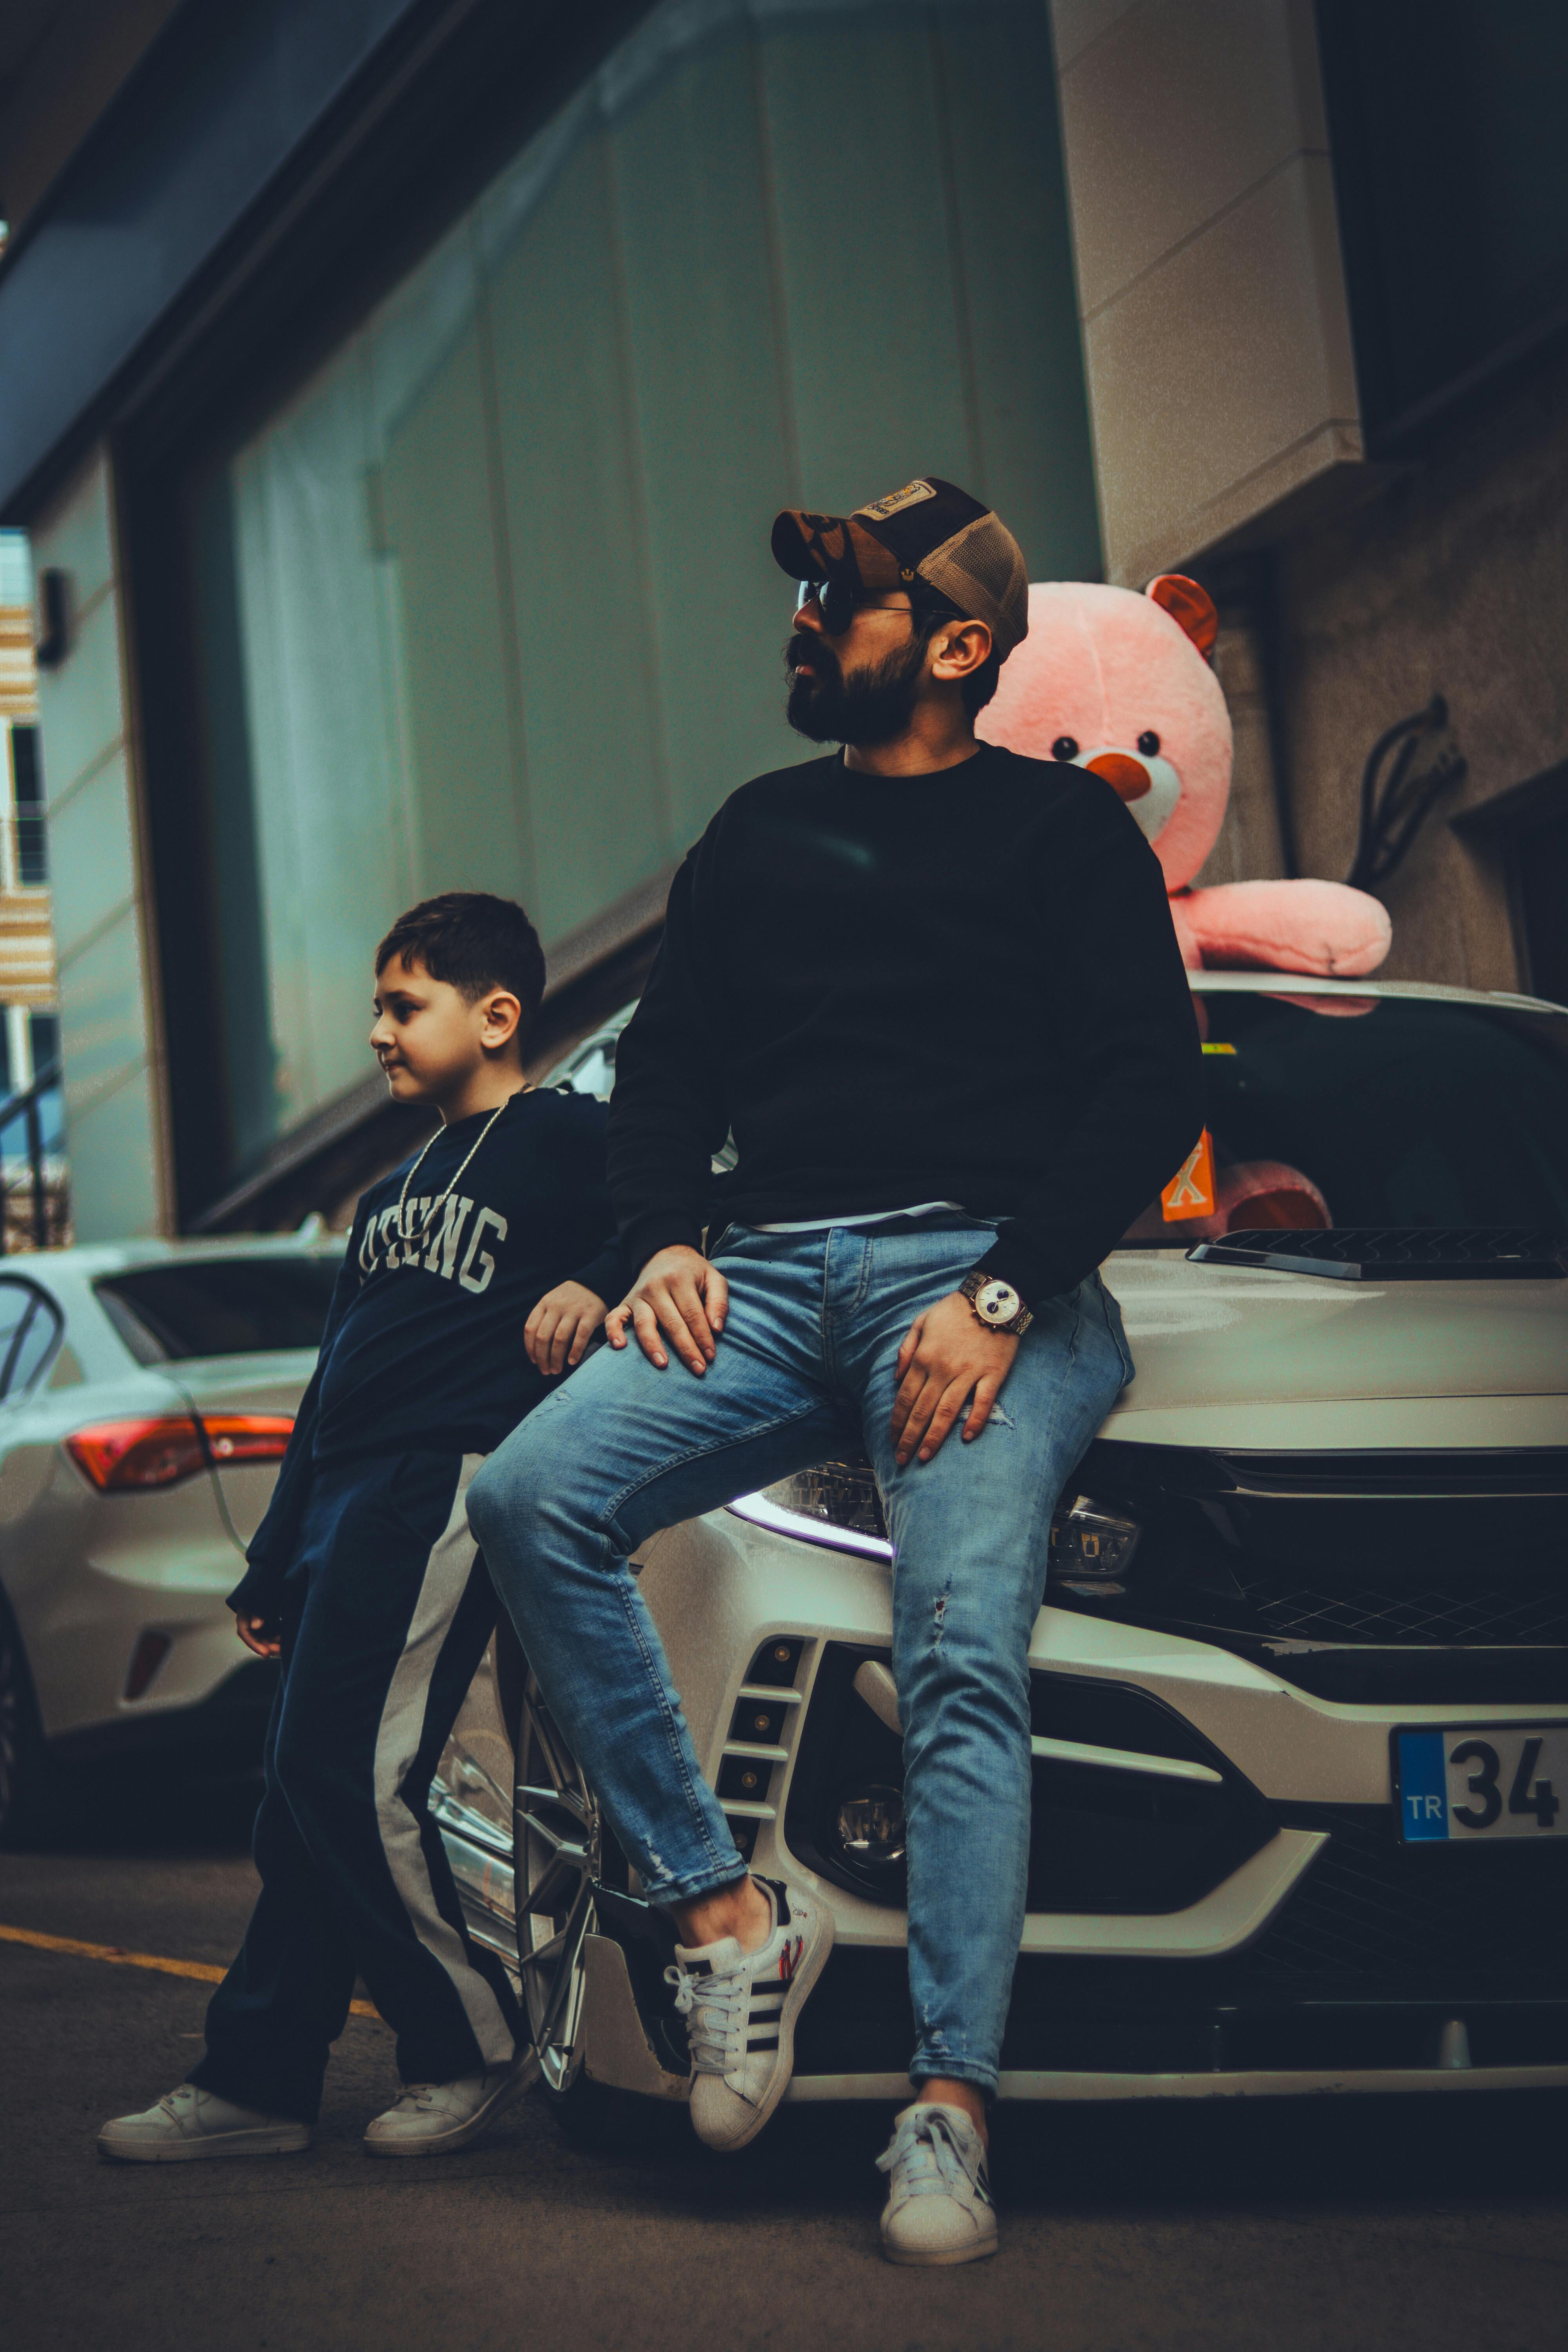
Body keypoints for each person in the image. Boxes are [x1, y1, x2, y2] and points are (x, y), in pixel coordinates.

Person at [468, 476, 1203, 2264]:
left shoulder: (1060, 838)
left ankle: (945, 2110)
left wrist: (1011, 1293)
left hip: (976, 1282)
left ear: (957, 649)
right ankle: (724, 1921)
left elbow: (1147, 1084)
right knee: (528, 1495)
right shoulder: (754, 832)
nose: (809, 622)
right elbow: (669, 1074)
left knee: (959, 1653)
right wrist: (656, 1236)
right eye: (813, 593)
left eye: (851, 601)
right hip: (766, 1275)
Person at [99, 892, 623, 2163]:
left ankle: (473, 2039)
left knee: (356, 1776)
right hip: (343, 1501)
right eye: (378, 1010)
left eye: (404, 1007)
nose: (377, 1033)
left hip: (443, 1488)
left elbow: (677, 1233)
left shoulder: (572, 1141)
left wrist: (597, 1284)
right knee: (296, 1797)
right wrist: (276, 1552)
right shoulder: (386, 1196)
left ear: (497, 1016)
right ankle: (260, 2083)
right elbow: (331, 1387)